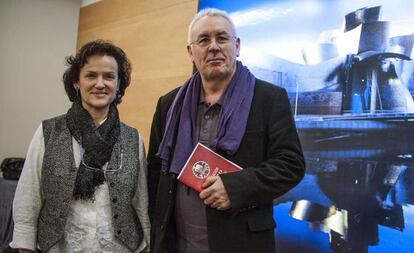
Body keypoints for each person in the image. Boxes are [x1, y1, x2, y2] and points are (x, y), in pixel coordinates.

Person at [147, 8, 305, 253]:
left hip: (242, 242)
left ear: (237, 45)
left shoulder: (269, 98)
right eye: (203, 40)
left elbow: (291, 165)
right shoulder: (168, 104)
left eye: (222, 38)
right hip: (178, 244)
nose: (213, 47)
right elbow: (155, 171)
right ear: (191, 52)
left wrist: (235, 188)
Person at [11, 40, 150, 252]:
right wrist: (25, 247)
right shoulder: (48, 132)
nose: (100, 84)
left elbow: (141, 202)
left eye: (109, 76)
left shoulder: (133, 139)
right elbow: (29, 195)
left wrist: (149, 243)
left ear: (119, 84)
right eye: (91, 75)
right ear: (77, 82)